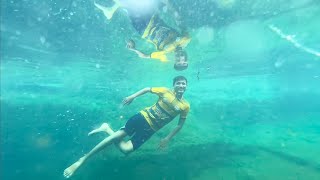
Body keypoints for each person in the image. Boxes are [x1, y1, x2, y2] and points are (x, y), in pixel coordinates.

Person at [63, 76, 190, 178]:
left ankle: (107, 128)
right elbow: (147, 89)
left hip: (151, 129)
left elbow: (180, 125)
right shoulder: (165, 91)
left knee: (126, 150)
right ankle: (82, 160)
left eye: (183, 83)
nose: (181, 85)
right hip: (141, 118)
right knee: (113, 139)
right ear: (174, 85)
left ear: (186, 86)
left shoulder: (185, 106)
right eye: (178, 83)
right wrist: (132, 96)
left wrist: (167, 138)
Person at [94, 0, 191, 71]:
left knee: (130, 7)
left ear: (175, 60)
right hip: (154, 18)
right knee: (132, 6)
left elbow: (144, 56)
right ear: (186, 58)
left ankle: (111, 11)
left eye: (178, 60)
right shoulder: (186, 39)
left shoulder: (163, 55)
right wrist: (169, 4)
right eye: (183, 61)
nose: (180, 58)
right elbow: (179, 21)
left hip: (143, 30)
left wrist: (133, 48)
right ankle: (111, 11)